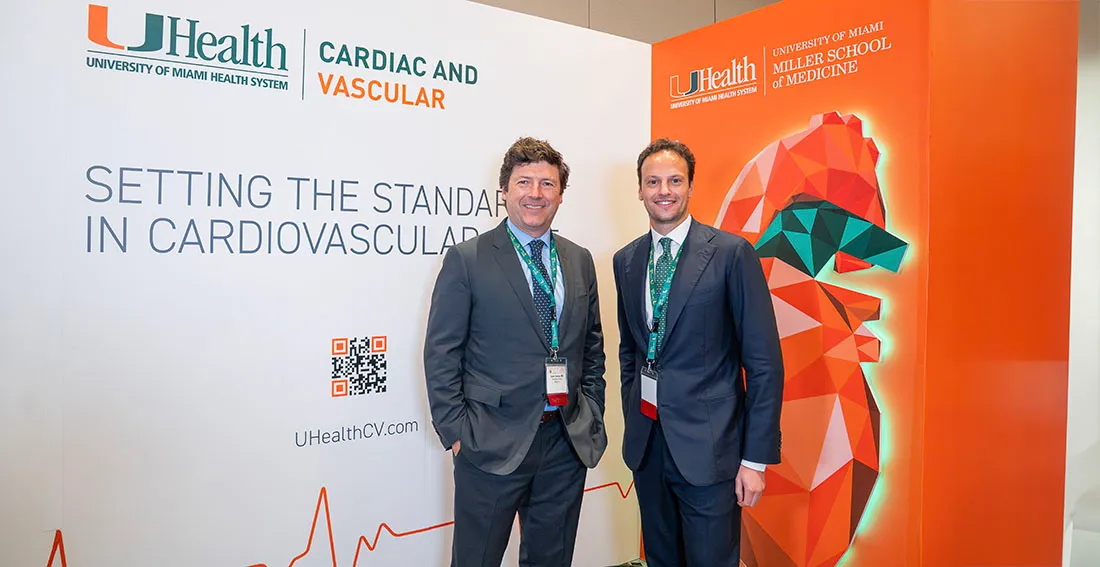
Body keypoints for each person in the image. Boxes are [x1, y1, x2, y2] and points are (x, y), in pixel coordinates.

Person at [424, 137, 607, 567]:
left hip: (565, 439)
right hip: (490, 441)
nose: (535, 193)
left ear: (561, 195)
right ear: (504, 191)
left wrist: (591, 409)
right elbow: (441, 352)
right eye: (523, 182)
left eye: (547, 184)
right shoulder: (468, 259)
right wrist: (456, 432)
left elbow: (592, 343)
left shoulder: (578, 260)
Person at [612, 138, 783, 566]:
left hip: (711, 451)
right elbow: (630, 352)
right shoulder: (626, 261)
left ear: (691, 187)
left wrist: (755, 459)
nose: (663, 190)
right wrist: (635, 415)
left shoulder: (730, 254)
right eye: (653, 182)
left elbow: (763, 363)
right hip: (648, 449)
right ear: (639, 190)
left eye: (674, 180)